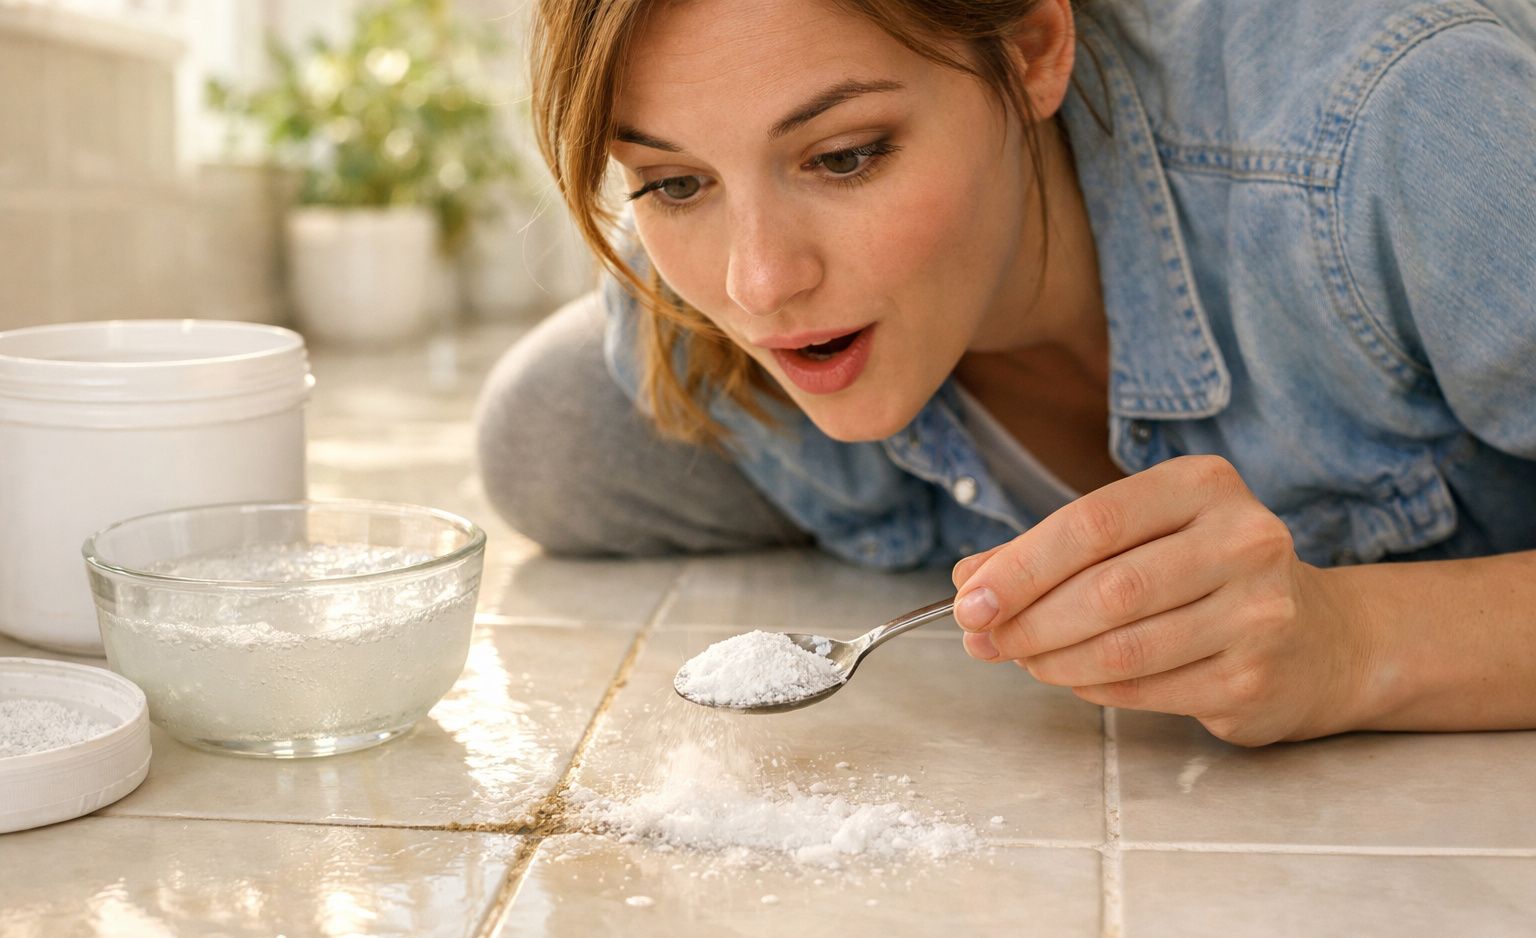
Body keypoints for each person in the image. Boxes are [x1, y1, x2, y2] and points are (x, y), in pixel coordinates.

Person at [476, 0, 1536, 746]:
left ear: (1034, 48)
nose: (758, 284)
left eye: (844, 155)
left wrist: (1350, 644)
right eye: (674, 181)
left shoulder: (1406, 126)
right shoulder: (681, 341)